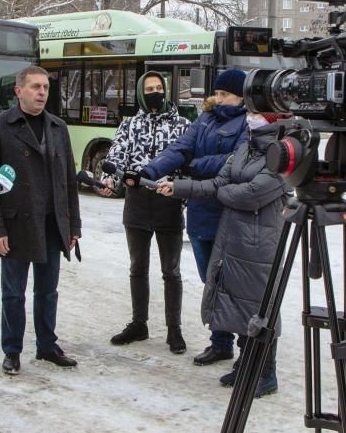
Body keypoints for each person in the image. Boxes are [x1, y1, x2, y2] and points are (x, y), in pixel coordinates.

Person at [157, 111, 288, 397]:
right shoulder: (246, 149)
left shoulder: (284, 152)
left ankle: (267, 373)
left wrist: (226, 192)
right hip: (233, 238)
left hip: (260, 243)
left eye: (257, 113)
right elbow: (219, 184)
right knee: (238, 303)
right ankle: (245, 363)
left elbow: (252, 193)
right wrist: (179, 187)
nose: (250, 118)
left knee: (259, 305)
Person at [141, 69, 249, 366]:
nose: (219, 98)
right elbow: (180, 148)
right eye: (218, 93)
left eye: (226, 94)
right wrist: (152, 169)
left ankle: (244, 346)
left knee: (233, 284)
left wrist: (196, 164)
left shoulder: (248, 123)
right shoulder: (206, 119)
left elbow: (237, 161)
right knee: (210, 281)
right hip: (200, 213)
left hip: (229, 213)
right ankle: (221, 341)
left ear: (241, 96)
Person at [0, 65, 82, 374]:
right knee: (13, 292)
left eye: (45, 88)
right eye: (36, 87)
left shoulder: (58, 127)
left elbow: (69, 180)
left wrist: (73, 226)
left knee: (48, 291)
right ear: (19, 90)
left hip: (53, 224)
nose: (42, 93)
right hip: (15, 224)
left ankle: (47, 346)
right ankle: (12, 350)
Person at [100, 71, 191, 353]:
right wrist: (110, 180)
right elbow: (116, 156)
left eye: (158, 87)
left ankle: (174, 330)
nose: (154, 92)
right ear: (140, 92)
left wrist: (183, 191)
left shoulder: (183, 124)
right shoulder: (130, 125)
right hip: (137, 203)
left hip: (168, 202)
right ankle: (139, 323)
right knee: (137, 267)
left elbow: (190, 162)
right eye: (149, 88)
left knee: (171, 270)